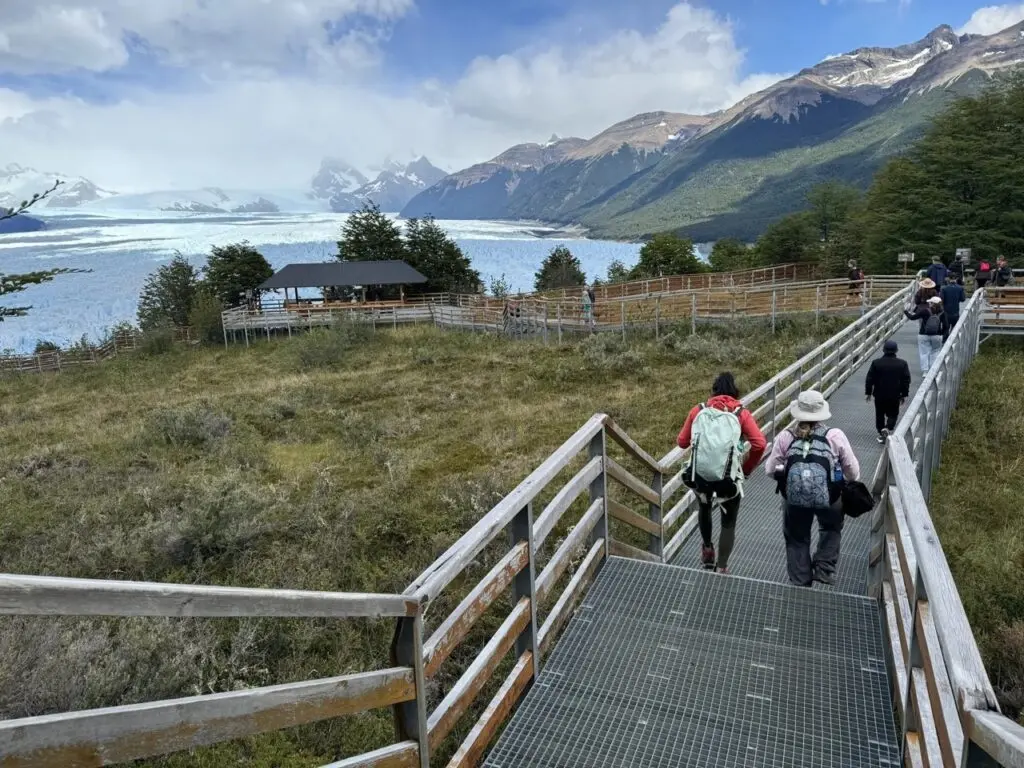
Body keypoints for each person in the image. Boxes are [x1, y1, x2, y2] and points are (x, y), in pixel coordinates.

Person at [765, 390, 861, 587]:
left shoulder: (786, 437)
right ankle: (824, 567)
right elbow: (853, 472)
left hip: (794, 499)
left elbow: (769, 470)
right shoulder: (834, 435)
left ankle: (800, 580)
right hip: (831, 496)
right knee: (831, 527)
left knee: (796, 536)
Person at [677, 372, 767, 574]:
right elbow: (760, 444)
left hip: (700, 476)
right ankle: (723, 566)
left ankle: (707, 549)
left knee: (704, 506)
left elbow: (681, 442)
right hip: (728, 478)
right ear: (735, 392)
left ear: (714, 390)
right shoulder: (741, 414)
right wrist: (746, 469)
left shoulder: (699, 410)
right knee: (729, 521)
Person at [865, 340, 911, 443]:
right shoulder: (902, 364)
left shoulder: (876, 363)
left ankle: (881, 430)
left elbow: (869, 378)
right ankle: (888, 427)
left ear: (883, 350)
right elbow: (906, 380)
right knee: (893, 413)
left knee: (880, 414)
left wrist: (868, 392)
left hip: (879, 394)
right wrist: (904, 394)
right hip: (895, 395)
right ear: (896, 350)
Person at [904, 296, 948, 375]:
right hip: (937, 336)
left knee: (924, 353)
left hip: (923, 335)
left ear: (932, 303)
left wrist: (906, 312)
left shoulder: (925, 311)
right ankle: (933, 370)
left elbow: (912, 317)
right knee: (935, 352)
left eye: (930, 302)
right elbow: (946, 326)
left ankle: (925, 371)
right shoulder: (942, 313)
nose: (928, 303)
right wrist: (943, 336)